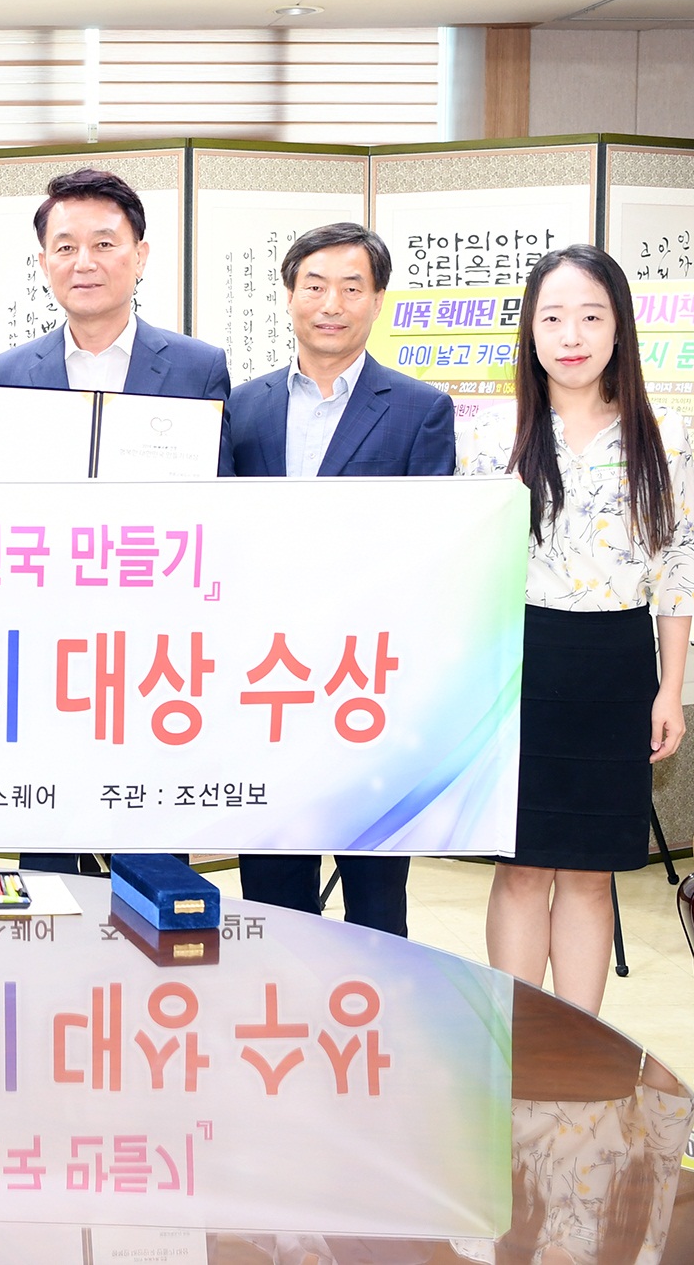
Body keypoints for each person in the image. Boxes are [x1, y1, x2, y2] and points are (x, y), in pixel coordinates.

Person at [461, 243, 694, 1014]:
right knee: (521, 870)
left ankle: (578, 1047)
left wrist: (670, 689)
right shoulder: (490, 433)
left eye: (591, 317)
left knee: (589, 874)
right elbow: (463, 566)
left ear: (619, 327)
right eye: (553, 318)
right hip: (518, 664)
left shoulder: (661, 433)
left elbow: (678, 565)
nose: (571, 335)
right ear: (530, 331)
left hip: (616, 666)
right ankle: (515, 1042)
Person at [0, 167, 231, 874]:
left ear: (140, 255)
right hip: (48, 645)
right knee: (50, 847)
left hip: (158, 649)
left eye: (104, 243)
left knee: (150, 851)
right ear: (43, 263)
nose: (83, 262)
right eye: (64, 247)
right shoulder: (9, 371)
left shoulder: (197, 367)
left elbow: (221, 505)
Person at [224, 223, 455, 939]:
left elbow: (432, 550)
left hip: (369, 684)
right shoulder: (241, 407)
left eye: (352, 288)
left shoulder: (420, 409)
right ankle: (276, 998)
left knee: (376, 897)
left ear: (377, 300)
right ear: (290, 296)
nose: (332, 304)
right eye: (315, 286)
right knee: (271, 889)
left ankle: (377, 1007)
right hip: (267, 682)